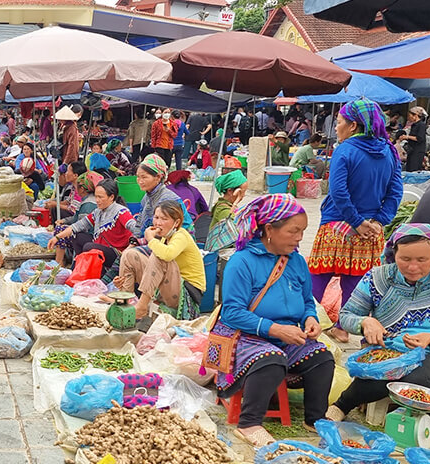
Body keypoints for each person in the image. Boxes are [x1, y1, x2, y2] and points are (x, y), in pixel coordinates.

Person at [328, 224, 430, 435]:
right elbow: (346, 317)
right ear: (393, 252)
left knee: (413, 379)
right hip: (385, 352)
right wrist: (365, 323)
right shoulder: (377, 278)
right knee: (387, 372)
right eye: (405, 259)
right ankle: (342, 405)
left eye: (422, 260)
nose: (413, 267)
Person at [212, 194, 334, 447]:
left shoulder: (297, 262)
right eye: (293, 231)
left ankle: (315, 419)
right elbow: (232, 313)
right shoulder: (241, 262)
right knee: (271, 360)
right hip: (245, 335)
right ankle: (249, 423)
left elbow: (307, 300)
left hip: (286, 335)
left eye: (302, 231)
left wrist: (310, 318)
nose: (300, 237)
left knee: (322, 356)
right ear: (269, 229)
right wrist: (275, 329)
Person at [309, 99, 403, 342]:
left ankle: (305, 325)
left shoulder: (346, 149)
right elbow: (395, 192)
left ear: (352, 126)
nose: (336, 127)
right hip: (370, 230)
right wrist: (379, 222)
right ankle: (342, 327)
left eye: (339, 122)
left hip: (337, 224)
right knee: (355, 282)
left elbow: (338, 191)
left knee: (318, 277)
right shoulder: (389, 151)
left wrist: (355, 220)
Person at [115, 199, 205, 320]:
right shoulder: (164, 238)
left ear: (176, 222)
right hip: (169, 285)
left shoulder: (181, 235)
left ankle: (141, 307)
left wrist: (151, 239)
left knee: (159, 256)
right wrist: (123, 280)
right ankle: (124, 299)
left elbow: (167, 255)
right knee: (129, 254)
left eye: (164, 219)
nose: (158, 223)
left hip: (187, 292)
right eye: (156, 217)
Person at [48, 178, 138, 271]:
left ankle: (95, 272)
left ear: (111, 197)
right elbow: (78, 226)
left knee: (89, 247)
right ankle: (78, 269)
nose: (97, 200)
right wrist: (57, 237)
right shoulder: (98, 212)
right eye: (96, 197)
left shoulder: (121, 212)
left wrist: (132, 245)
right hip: (101, 247)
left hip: (117, 252)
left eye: (101, 197)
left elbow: (135, 228)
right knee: (77, 236)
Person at [51, 170, 101, 266]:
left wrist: (65, 230)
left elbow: (83, 225)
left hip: (91, 236)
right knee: (62, 228)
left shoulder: (88, 204)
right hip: (89, 233)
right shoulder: (87, 200)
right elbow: (76, 218)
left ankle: (59, 262)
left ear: (82, 189)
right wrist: (64, 220)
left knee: (60, 230)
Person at [205, 169, 247, 253]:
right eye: (242, 192)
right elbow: (235, 228)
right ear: (230, 191)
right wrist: (236, 202)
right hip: (220, 253)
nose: (244, 195)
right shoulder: (223, 210)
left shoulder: (227, 206)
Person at [399, 106, 428, 172]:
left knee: (414, 169)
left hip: (417, 151)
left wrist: (407, 137)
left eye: (410, 116)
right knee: (409, 168)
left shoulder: (421, 125)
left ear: (415, 115)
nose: (409, 118)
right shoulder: (413, 125)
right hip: (411, 150)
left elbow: (419, 138)